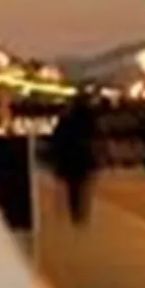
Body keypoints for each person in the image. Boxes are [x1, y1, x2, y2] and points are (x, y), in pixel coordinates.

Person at [50, 91, 99, 224]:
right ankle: (80, 212)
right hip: (82, 156)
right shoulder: (89, 118)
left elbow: (57, 138)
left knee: (73, 187)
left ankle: (75, 211)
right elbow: (94, 136)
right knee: (82, 185)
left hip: (70, 156)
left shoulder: (66, 118)